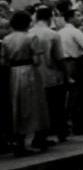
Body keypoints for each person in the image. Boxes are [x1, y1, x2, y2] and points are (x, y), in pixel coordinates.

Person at [2, 11, 50, 155]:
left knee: (18, 105)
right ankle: (39, 137)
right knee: (35, 104)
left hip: (13, 72)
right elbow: (37, 60)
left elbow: (3, 61)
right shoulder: (31, 37)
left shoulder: (6, 39)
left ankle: (19, 140)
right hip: (29, 72)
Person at [29, 6, 69, 142]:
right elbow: (59, 58)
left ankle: (43, 133)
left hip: (34, 75)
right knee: (57, 105)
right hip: (52, 74)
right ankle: (61, 131)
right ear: (50, 17)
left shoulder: (28, 33)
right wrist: (66, 75)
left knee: (41, 106)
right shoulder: (53, 34)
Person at [58, 8, 83, 135]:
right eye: (78, 15)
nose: (81, 18)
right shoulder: (75, 31)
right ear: (70, 18)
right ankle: (81, 125)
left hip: (66, 63)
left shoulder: (61, 32)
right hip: (77, 63)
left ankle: (74, 123)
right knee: (82, 95)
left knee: (73, 95)